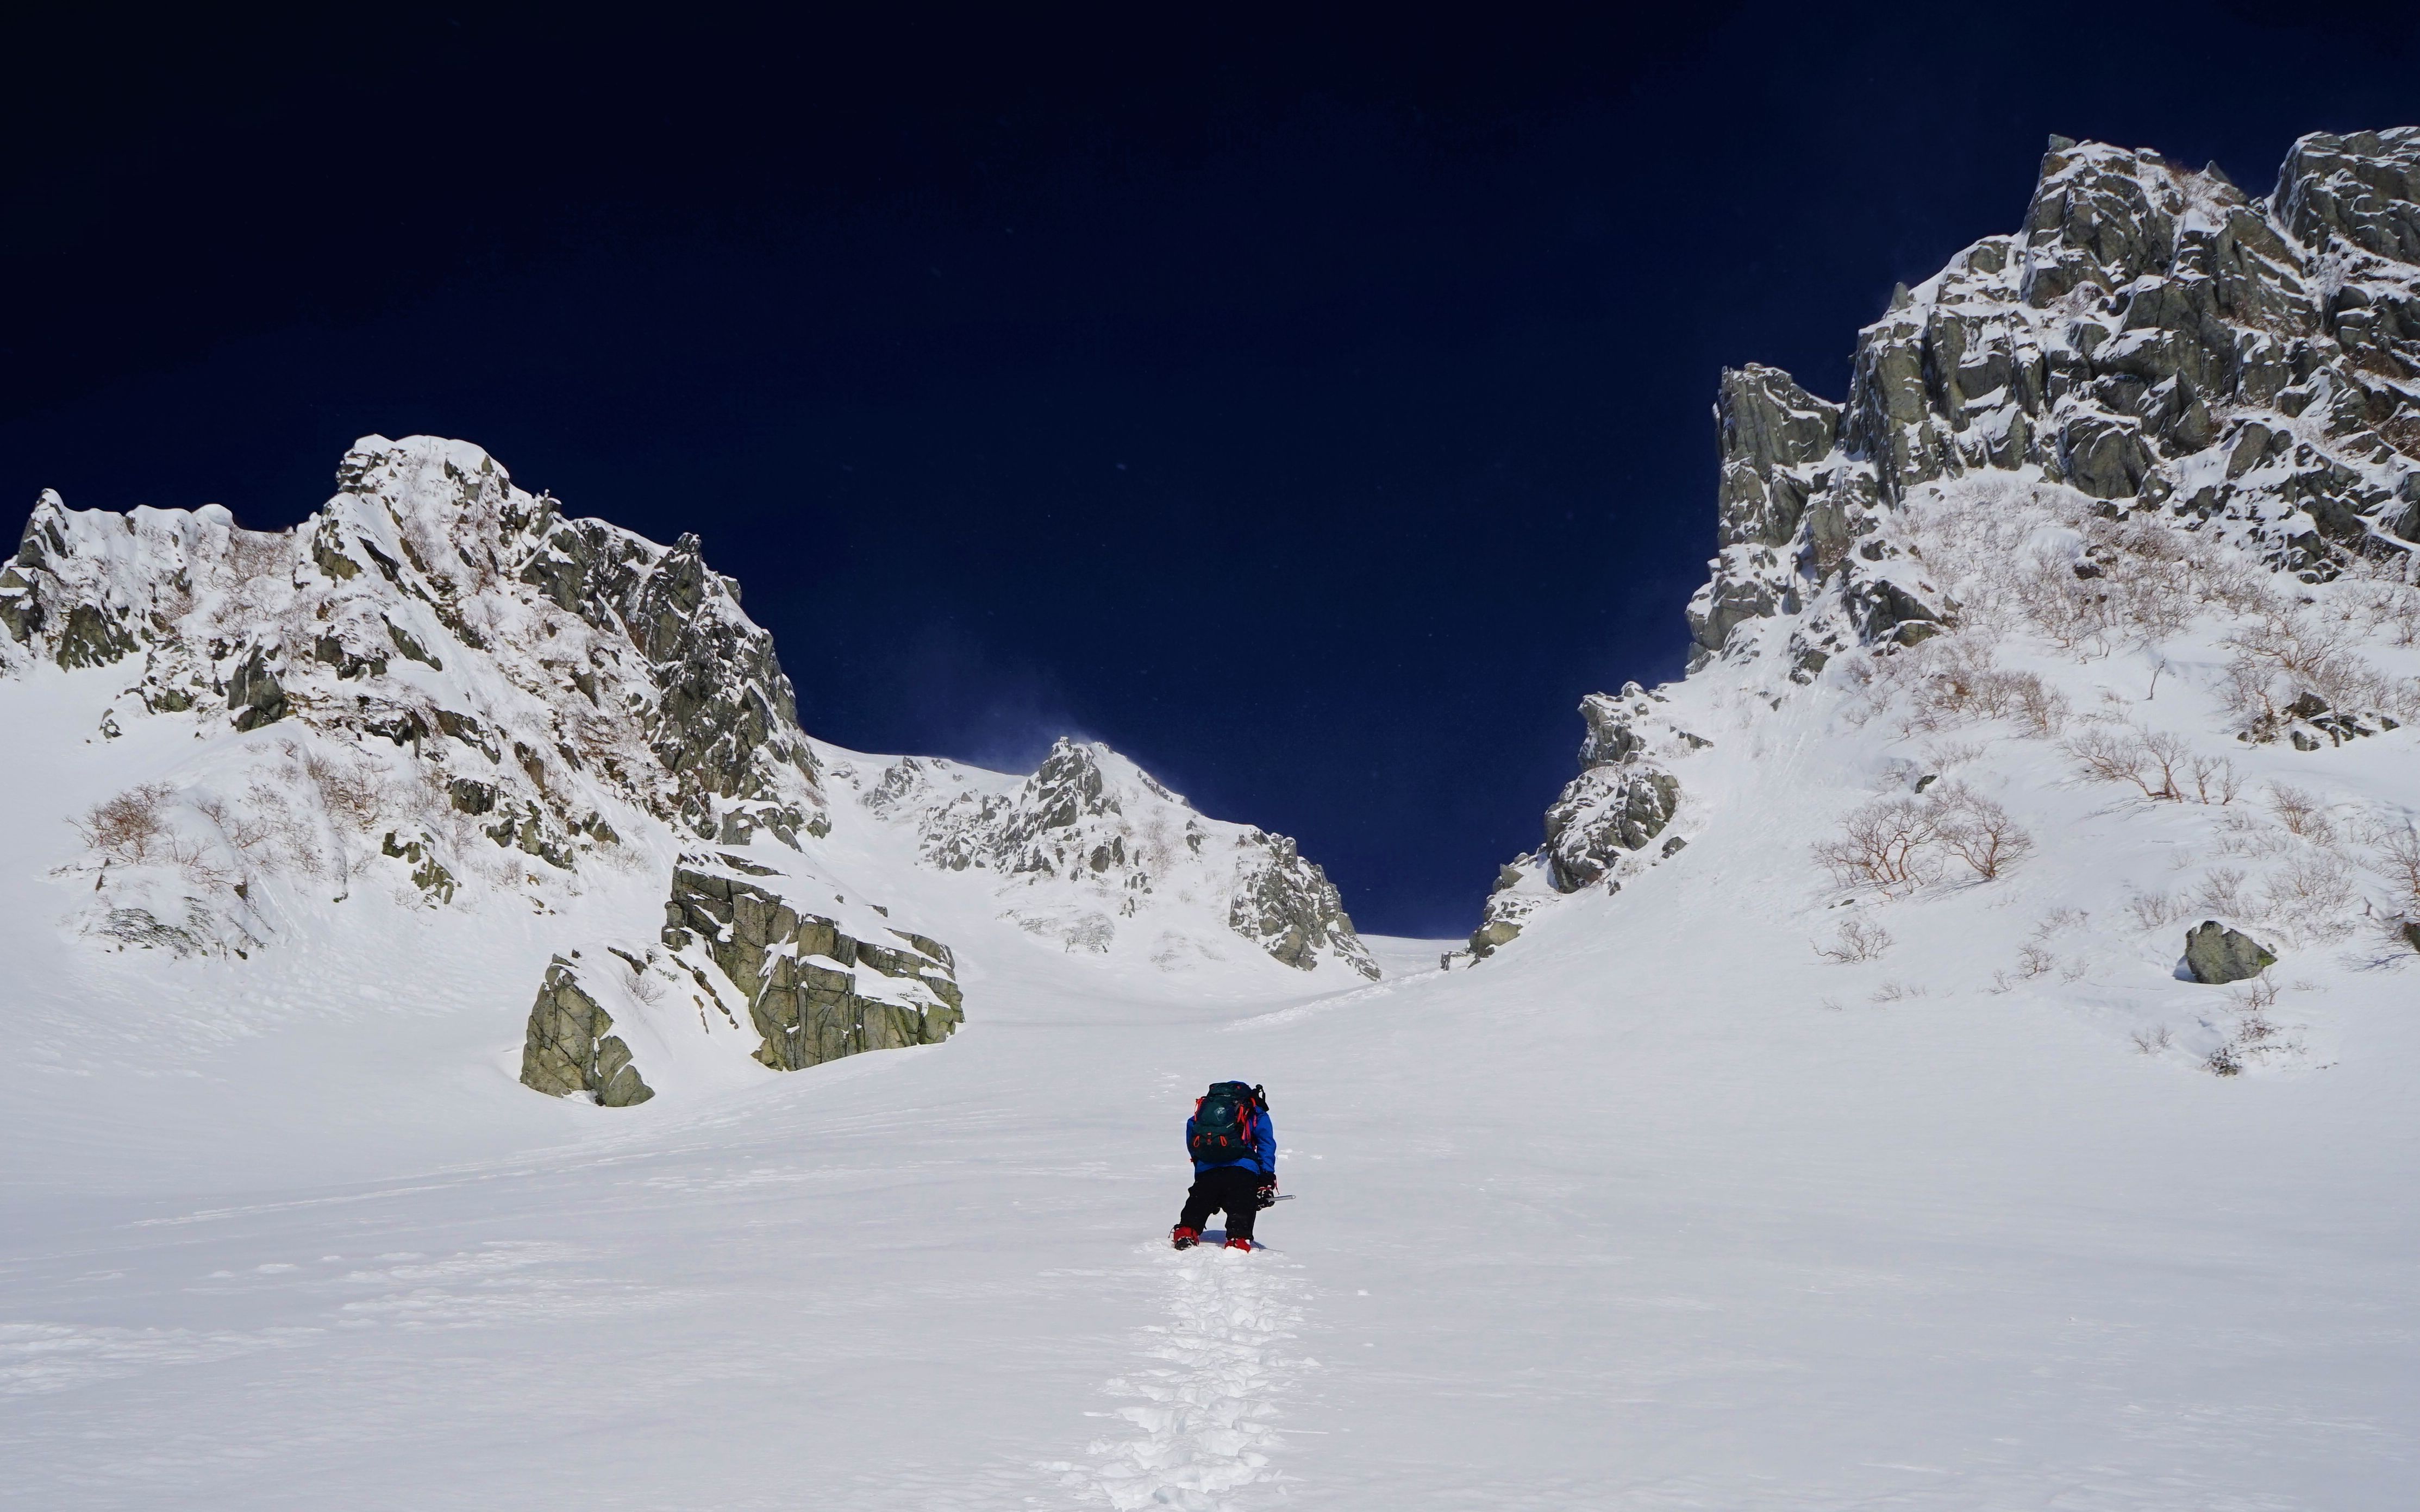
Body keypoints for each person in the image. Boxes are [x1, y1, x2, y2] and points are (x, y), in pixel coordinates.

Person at [1172, 1080, 1276, 1251]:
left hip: (1208, 1166)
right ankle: (1238, 1240)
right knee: (1243, 1201)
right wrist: (1266, 1177)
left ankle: (1187, 1231)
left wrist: (1201, 1166)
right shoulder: (1255, 1112)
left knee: (1200, 1198)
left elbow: (1193, 1136)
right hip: (1243, 1167)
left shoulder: (1207, 1111)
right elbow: (1266, 1144)